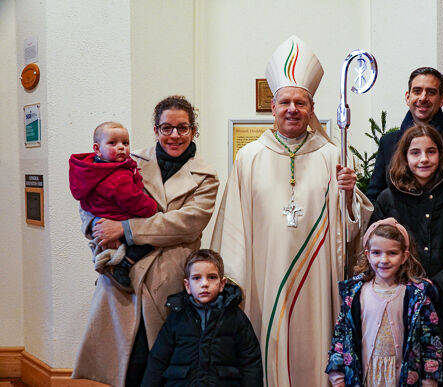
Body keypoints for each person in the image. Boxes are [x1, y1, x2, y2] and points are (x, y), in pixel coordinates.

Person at [210, 36, 372, 386]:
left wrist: (348, 196)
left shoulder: (335, 157)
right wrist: (233, 280)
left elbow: (353, 229)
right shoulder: (249, 157)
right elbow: (234, 225)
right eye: (285, 101)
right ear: (273, 107)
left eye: (301, 102)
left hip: (319, 278)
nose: (292, 109)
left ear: (311, 109)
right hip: (265, 278)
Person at [72, 96, 219, 387]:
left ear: (193, 131)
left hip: (170, 277)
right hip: (122, 279)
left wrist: (125, 228)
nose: (174, 135)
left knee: (164, 366)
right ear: (155, 129)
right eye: (166, 128)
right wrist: (99, 233)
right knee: (128, 364)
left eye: (182, 128)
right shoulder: (127, 160)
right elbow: (89, 205)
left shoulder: (206, 176)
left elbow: (186, 224)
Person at [369, 124, 443, 387]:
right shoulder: (388, 200)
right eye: (415, 152)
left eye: (431, 152)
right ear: (404, 157)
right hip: (399, 307)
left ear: (441, 155)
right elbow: (378, 252)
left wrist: (434, 287)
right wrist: (406, 289)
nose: (424, 159)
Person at [365, 67, 443, 301]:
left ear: (441, 98)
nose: (423, 98)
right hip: (397, 273)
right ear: (407, 96)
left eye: (431, 92)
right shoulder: (389, 143)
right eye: (417, 91)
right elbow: (374, 201)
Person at [326, 218, 442, 387]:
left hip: (403, 379)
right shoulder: (354, 293)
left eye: (392, 253)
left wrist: (429, 380)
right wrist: (337, 376)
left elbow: (431, 341)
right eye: (376, 253)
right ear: (367, 254)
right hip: (365, 377)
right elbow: (341, 336)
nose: (384, 260)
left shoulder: (417, 295)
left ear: (404, 256)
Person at [142, 249, 263, 386]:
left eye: (211, 277)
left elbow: (250, 362)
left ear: (222, 284)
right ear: (187, 286)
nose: (204, 284)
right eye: (196, 278)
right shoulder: (177, 317)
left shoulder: (235, 317)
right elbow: (158, 360)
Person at [69, 121, 158, 292]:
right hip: (117, 219)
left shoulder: (94, 170)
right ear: (97, 148)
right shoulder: (116, 176)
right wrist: (152, 207)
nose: (121, 147)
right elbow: (134, 201)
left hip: (106, 217)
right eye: (113, 143)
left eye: (125, 143)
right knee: (149, 240)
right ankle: (123, 265)